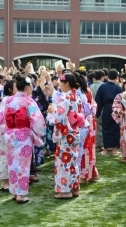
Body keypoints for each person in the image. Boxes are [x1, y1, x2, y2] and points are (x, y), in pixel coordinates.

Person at [3, 75, 46, 203]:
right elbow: (37, 121)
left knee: (12, 164)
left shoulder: (9, 100)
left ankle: (14, 192)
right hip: (23, 135)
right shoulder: (29, 101)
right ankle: (21, 195)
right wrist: (38, 132)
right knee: (23, 165)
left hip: (10, 134)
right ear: (27, 88)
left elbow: (4, 119)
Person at [45, 71, 83, 199]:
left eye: (61, 82)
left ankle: (65, 190)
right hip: (75, 131)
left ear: (66, 83)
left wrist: (52, 111)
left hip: (66, 133)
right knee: (73, 161)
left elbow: (60, 118)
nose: (59, 84)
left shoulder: (65, 98)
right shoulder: (76, 96)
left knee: (64, 161)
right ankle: (75, 188)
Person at [0, 79, 18, 192]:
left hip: (5, 129)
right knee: (4, 156)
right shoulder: (9, 99)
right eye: (16, 87)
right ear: (10, 89)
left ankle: (6, 180)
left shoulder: (7, 99)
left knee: (5, 155)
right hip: (5, 130)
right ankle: (5, 181)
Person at [95, 69, 122, 155]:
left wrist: (97, 113)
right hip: (116, 110)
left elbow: (98, 100)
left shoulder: (103, 87)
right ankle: (114, 149)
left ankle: (106, 149)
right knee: (115, 128)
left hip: (106, 108)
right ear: (117, 77)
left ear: (108, 76)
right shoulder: (118, 88)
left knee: (105, 128)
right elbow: (122, 101)